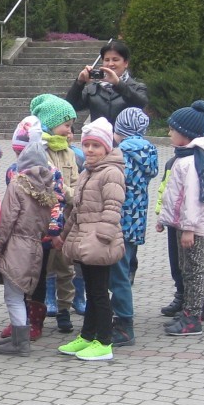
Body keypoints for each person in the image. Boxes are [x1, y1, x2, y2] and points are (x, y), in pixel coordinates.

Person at [58, 118, 127, 361]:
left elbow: (113, 205)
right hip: (84, 239)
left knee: (99, 292)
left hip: (99, 240)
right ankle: (87, 336)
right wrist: (64, 235)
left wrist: (104, 236)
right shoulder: (88, 171)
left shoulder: (110, 172)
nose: (89, 150)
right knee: (90, 289)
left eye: (96, 146)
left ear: (107, 148)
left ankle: (104, 341)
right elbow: (76, 210)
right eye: (86, 144)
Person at [0, 133, 61, 357]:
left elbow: (6, 220)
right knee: (23, 294)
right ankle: (19, 338)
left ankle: (20, 342)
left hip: (16, 245)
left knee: (13, 296)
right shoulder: (47, 189)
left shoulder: (17, 186)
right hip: (36, 246)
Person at [155, 100, 204, 337]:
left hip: (193, 227)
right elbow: (174, 195)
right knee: (186, 268)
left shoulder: (193, 161)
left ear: (186, 133)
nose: (169, 133)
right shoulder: (185, 157)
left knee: (193, 270)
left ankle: (193, 316)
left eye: (172, 129)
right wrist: (164, 218)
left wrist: (189, 228)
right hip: (184, 224)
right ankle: (191, 310)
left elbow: (194, 198)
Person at [29, 94, 83, 334]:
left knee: (66, 267)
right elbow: (51, 185)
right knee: (43, 267)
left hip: (66, 222)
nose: (70, 131)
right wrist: (73, 193)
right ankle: (38, 310)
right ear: (50, 124)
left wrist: (74, 195)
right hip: (44, 222)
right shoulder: (40, 150)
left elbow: (74, 182)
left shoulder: (70, 153)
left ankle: (64, 309)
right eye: (67, 125)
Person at [111, 108, 158, 346]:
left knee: (118, 274)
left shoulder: (122, 155)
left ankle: (124, 323)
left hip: (119, 221)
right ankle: (118, 314)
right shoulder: (148, 152)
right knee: (122, 268)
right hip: (136, 222)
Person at [64, 38, 150, 126]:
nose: (110, 64)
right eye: (107, 60)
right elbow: (71, 107)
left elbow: (141, 104)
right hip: (98, 138)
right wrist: (79, 82)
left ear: (126, 63)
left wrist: (118, 83)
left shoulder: (137, 87)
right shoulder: (93, 88)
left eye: (115, 60)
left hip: (125, 139)